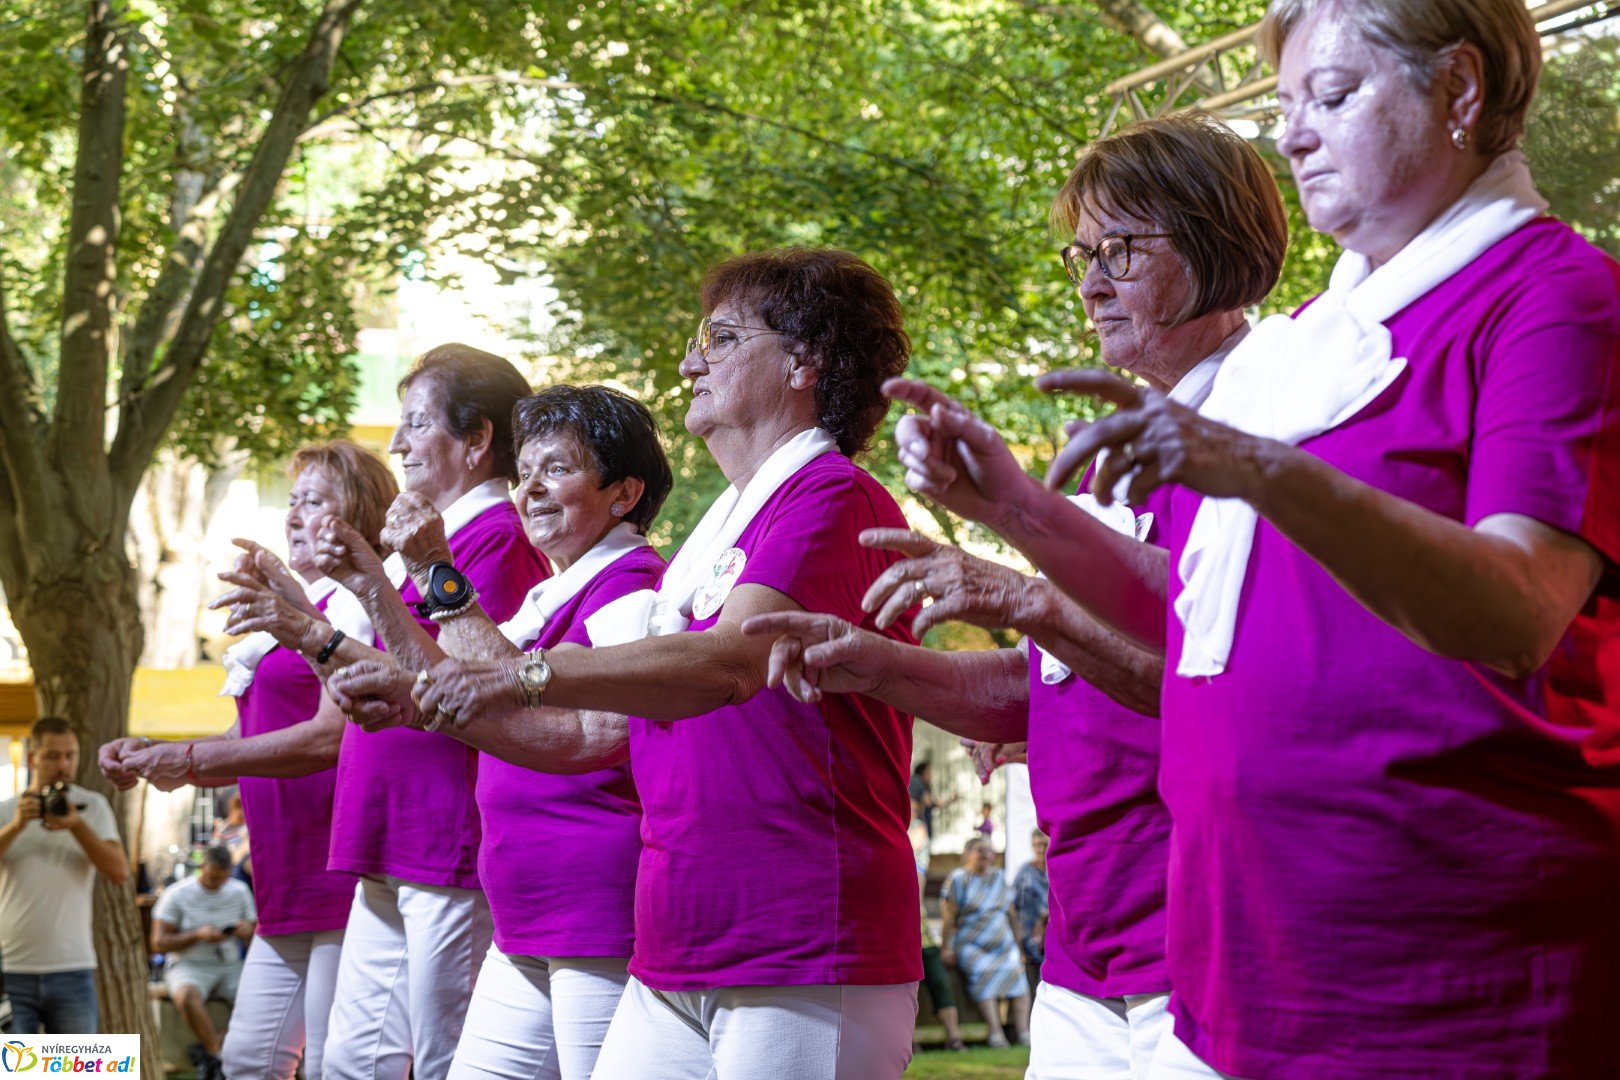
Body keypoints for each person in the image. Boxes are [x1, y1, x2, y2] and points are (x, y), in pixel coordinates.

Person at [896, 2, 1620, 1074]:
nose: (1290, 136)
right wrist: (1015, 507)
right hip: (1252, 946)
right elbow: (1194, 618)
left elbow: (1516, 612)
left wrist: (1253, 468)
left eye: (1329, 98)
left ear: (1460, 92)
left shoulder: (1549, 296)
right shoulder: (1316, 349)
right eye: (1285, 106)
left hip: (1449, 959)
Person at [741, 111, 1286, 1079]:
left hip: (1210, 935)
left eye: (1118, 248)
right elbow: (1050, 685)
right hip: (1086, 947)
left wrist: (1017, 587)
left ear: (1215, 237)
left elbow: (1219, 673)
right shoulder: (1115, 457)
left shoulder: (1273, 417)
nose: (1089, 283)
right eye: (1082, 253)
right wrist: (873, 664)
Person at [331, 248, 921, 1079]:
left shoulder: (830, 497)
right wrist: (424, 680)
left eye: (718, 339)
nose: (690, 362)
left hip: (794, 936)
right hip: (677, 935)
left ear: (803, 361)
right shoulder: (716, 532)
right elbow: (593, 732)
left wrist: (524, 672)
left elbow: (728, 664)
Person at [309, 385, 672, 1080]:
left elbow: (563, 729)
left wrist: (434, 572)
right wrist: (375, 590)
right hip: (524, 909)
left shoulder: (630, 584)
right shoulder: (553, 593)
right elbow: (464, 678)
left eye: (557, 470)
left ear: (623, 494)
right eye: (525, 471)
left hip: (589, 912)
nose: (530, 490)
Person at [212, 345, 550, 1080]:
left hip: (441, 832)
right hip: (383, 833)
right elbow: (372, 678)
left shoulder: (494, 539)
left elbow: (454, 683)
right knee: (347, 1064)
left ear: (477, 439)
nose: (397, 444)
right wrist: (305, 617)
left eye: (416, 423)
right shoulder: (425, 548)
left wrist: (308, 627)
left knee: (441, 1062)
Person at [102, 438, 399, 1080]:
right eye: (291, 500)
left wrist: (188, 755)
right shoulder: (290, 616)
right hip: (282, 875)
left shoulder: (361, 610)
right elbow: (241, 743)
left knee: (332, 1066)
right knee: (247, 1061)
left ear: (362, 516)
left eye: (314, 501)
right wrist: (158, 755)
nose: (293, 514)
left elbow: (329, 738)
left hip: (342, 873)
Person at [0, 717, 127, 1034]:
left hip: (73, 966)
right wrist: (15, 828)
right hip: (11, 967)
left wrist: (76, 826)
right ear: (33, 758)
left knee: (77, 1068)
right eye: (53, 756)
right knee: (13, 1069)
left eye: (70, 755)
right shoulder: (7, 811)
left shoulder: (91, 807)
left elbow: (119, 870)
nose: (64, 764)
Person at [152, 846, 257, 1080]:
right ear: (202, 868)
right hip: (189, 964)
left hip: (229, 964)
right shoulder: (177, 893)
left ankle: (217, 1048)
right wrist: (197, 935)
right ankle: (216, 1055)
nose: (218, 882)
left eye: (223, 877)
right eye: (212, 877)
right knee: (187, 995)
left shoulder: (239, 891)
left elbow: (253, 934)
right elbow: (158, 943)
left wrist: (246, 930)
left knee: (260, 1002)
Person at [941, 837, 1029, 1049]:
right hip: (971, 943)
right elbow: (948, 917)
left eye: (989, 851)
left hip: (1002, 942)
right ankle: (996, 1033)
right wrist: (946, 947)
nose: (985, 855)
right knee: (983, 969)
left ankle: (1023, 1032)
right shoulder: (958, 879)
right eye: (979, 850)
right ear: (967, 852)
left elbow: (1011, 914)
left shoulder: (999, 877)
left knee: (1016, 968)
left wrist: (1019, 945)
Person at [910, 798, 965, 1054]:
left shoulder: (917, 832)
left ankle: (954, 1037)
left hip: (918, 929)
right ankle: (908, 1041)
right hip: (895, 931)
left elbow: (918, 883)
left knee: (939, 978)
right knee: (904, 985)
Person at [1012, 831, 1049, 984]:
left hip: (1051, 938)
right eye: (1036, 845)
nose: (1040, 849)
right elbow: (1013, 906)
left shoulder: (1056, 870)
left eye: (1044, 845)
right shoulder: (1024, 872)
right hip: (1028, 938)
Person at [907, 760, 954, 840]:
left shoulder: (924, 785)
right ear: (923, 771)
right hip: (916, 825)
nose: (931, 774)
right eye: (929, 771)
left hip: (921, 824)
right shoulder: (916, 781)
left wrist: (951, 800)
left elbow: (936, 803)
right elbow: (928, 801)